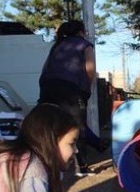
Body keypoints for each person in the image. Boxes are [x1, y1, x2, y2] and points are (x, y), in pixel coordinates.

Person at [38, 20, 96, 176]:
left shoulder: (57, 45)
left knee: (50, 126)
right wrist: (86, 88)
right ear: (81, 32)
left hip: (47, 86)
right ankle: (81, 167)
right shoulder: (85, 44)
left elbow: (45, 67)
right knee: (76, 125)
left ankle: (46, 163)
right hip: (70, 88)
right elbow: (90, 69)